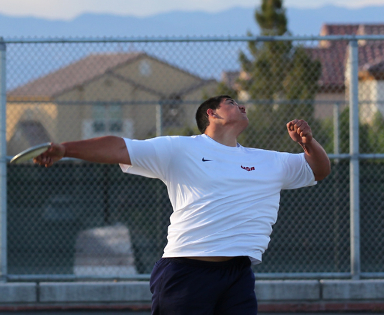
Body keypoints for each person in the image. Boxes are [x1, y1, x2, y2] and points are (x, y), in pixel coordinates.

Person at [34, 95, 331, 315]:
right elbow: (119, 147)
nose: (242, 106)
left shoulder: (268, 159)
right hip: (186, 273)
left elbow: (319, 170)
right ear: (211, 114)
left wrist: (308, 143)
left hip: (238, 275)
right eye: (231, 102)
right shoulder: (180, 148)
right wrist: (66, 149)